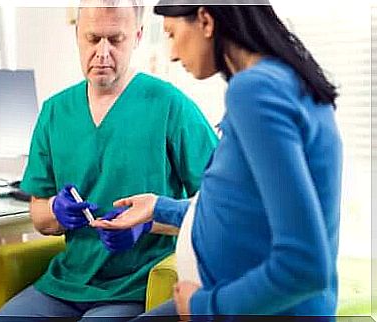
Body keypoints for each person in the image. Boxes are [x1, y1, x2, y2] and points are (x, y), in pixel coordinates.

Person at [93, 2, 343, 320]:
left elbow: (304, 265)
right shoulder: (287, 82)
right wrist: (157, 207)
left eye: (172, 34)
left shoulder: (254, 90)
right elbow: (241, 209)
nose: (171, 53)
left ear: (205, 20)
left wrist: (203, 307)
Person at [0, 0, 217, 320]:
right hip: (67, 282)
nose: (102, 52)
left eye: (115, 40)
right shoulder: (55, 111)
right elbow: (40, 217)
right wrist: (56, 209)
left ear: (137, 37)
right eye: (93, 38)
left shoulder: (170, 105)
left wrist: (148, 224)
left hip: (136, 283)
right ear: (77, 36)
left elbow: (212, 208)